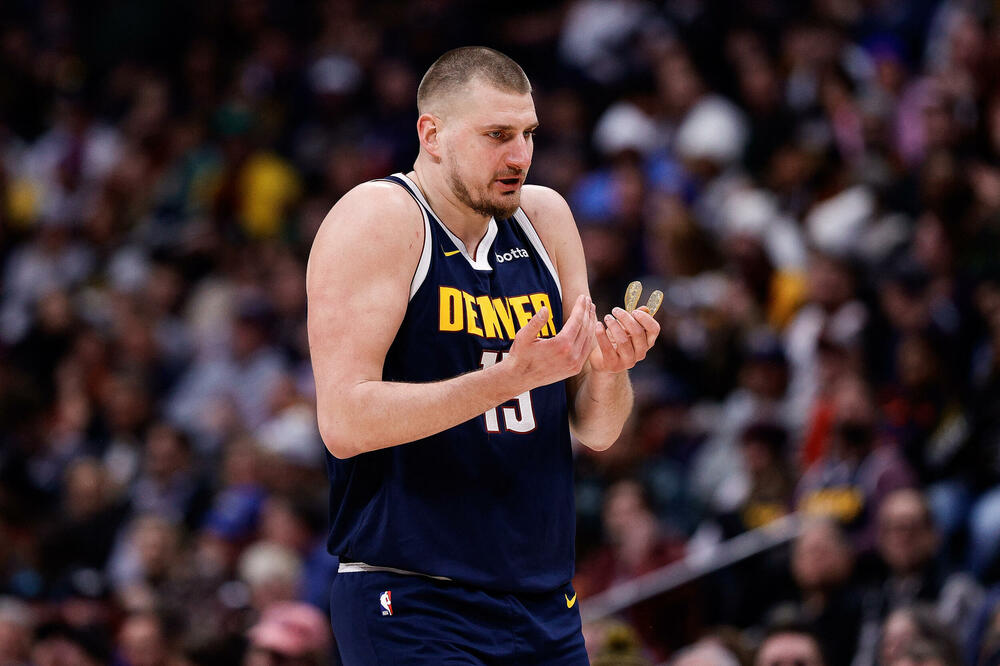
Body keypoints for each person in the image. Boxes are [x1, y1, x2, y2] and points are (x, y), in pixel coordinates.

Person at [306, 46, 660, 664]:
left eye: (528, 134)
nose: (520, 155)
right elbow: (345, 422)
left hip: (544, 598)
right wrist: (507, 379)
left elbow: (598, 430)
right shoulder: (379, 218)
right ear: (432, 135)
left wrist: (610, 371)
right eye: (497, 135)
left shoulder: (545, 218)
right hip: (413, 596)